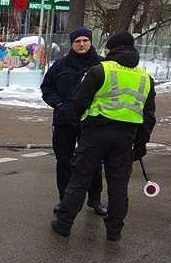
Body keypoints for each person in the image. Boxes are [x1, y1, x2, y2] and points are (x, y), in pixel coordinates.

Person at [51, 32, 156, 241]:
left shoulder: (99, 71)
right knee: (118, 185)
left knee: (80, 179)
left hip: (95, 134)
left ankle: (64, 224)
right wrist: (141, 144)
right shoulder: (145, 78)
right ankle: (114, 231)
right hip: (125, 138)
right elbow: (148, 116)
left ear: (110, 50)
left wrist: (81, 123)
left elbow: (79, 102)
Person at [41, 28, 105, 216]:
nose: (82, 44)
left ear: (91, 42)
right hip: (64, 121)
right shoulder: (60, 65)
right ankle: (64, 201)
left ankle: (95, 199)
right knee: (64, 162)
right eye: (77, 41)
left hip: (92, 122)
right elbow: (46, 88)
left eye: (85, 40)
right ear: (72, 44)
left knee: (93, 162)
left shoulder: (102, 65)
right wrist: (60, 104)